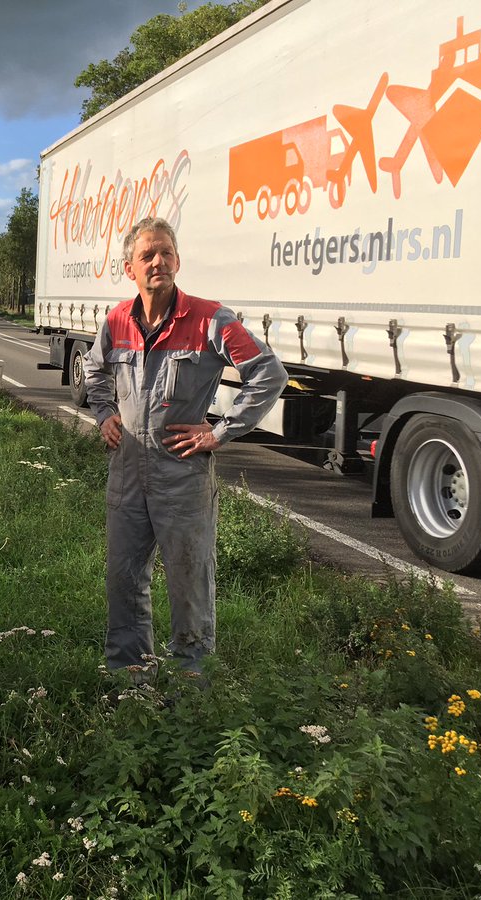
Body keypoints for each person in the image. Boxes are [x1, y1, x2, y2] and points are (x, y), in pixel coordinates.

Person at [84, 217, 287, 678]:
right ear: (128, 267)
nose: (159, 261)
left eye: (166, 252)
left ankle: (189, 694)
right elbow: (95, 371)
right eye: (147, 255)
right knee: (123, 581)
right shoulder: (117, 320)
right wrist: (105, 414)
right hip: (127, 475)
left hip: (182, 479)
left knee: (189, 586)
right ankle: (129, 680)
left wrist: (219, 431)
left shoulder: (211, 319)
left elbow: (269, 374)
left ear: (178, 259)